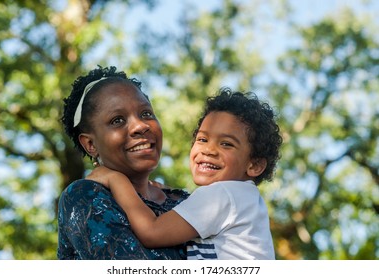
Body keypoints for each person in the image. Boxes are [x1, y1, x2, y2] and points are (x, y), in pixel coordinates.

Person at [87, 88, 283, 260]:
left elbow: (152, 231)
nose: (208, 150)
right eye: (203, 139)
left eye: (226, 144)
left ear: (255, 165)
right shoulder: (243, 198)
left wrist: (117, 180)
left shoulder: (223, 195)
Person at [57, 65, 189, 259]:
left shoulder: (184, 201)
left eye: (146, 113)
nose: (140, 126)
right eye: (117, 120)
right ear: (91, 144)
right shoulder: (84, 197)